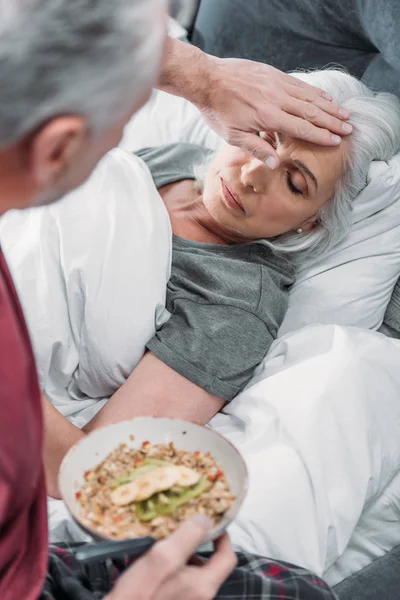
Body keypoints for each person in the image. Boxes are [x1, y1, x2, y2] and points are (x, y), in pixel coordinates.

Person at [0, 1, 354, 599]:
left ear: (310, 227)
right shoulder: (169, 163)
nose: (253, 174)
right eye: (263, 140)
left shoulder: (237, 303)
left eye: (295, 183)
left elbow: (92, 471)